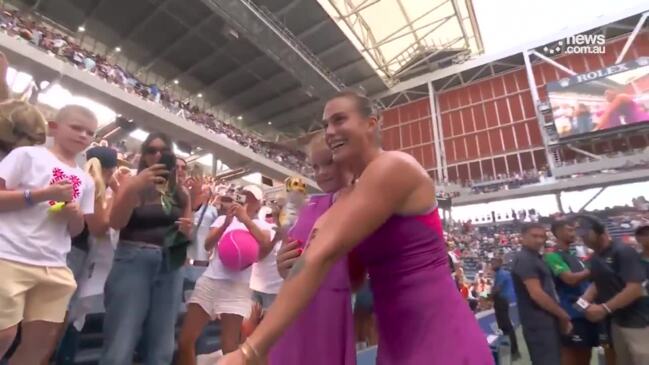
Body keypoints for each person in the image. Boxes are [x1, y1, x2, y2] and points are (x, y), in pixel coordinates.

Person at [219, 90, 492, 365]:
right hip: (396, 337)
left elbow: (321, 256)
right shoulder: (353, 194)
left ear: (371, 124)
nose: (330, 131)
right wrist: (290, 267)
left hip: (440, 334)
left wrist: (249, 351)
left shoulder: (394, 166)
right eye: (326, 124)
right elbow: (350, 278)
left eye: (339, 120)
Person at [0, 105, 97, 364]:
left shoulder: (83, 179)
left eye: (90, 132)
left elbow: (76, 231)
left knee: (41, 342)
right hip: (8, 255)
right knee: (4, 334)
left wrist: (73, 215)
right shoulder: (27, 156)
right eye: (76, 128)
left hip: (54, 264)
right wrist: (41, 195)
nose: (83, 135)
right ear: (54, 127)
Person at [100, 132, 193, 365]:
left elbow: (185, 233)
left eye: (164, 151)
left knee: (162, 346)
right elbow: (116, 223)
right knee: (121, 341)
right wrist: (133, 187)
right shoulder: (131, 183)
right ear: (144, 155)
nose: (158, 155)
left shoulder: (181, 192)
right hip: (134, 258)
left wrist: (185, 233)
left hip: (171, 262)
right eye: (152, 150)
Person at [269, 133, 356, 364]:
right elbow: (290, 259)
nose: (321, 173)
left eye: (328, 162)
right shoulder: (308, 207)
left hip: (331, 310)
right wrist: (282, 264)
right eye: (315, 167)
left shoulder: (363, 203)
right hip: (295, 309)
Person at [177, 185, 274, 365]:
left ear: (259, 203)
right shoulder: (222, 218)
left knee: (229, 346)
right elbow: (207, 245)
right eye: (244, 195)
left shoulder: (262, 225)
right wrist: (225, 225)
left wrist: (245, 220)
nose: (247, 200)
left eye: (252, 197)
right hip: (210, 281)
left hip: (237, 289)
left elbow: (264, 244)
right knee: (185, 340)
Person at [575, 215, 649, 365]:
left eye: (586, 235)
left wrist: (604, 308)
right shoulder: (595, 257)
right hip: (616, 320)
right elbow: (597, 283)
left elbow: (634, 288)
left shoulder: (623, 251)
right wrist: (583, 302)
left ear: (599, 232)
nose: (583, 239)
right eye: (581, 235)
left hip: (638, 321)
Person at [511, 223, 572, 365]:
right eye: (534, 236)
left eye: (542, 237)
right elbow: (537, 294)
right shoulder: (525, 258)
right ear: (523, 237)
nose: (539, 240)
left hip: (545, 321)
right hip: (538, 323)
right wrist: (563, 315)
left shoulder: (536, 257)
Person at [543, 220, 597, 365]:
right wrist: (595, 268)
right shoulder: (552, 255)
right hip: (570, 314)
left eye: (574, 230)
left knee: (586, 356)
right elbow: (570, 279)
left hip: (586, 313)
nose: (573, 233)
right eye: (569, 230)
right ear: (557, 233)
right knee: (571, 357)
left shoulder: (575, 255)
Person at [490, 257, 519, 359]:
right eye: (491, 263)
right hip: (502, 301)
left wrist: (488, 296)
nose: (492, 265)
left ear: (499, 263)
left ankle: (514, 350)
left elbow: (497, 289)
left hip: (502, 301)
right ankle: (512, 349)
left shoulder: (501, 274)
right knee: (505, 326)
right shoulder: (500, 274)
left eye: (494, 263)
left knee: (506, 326)